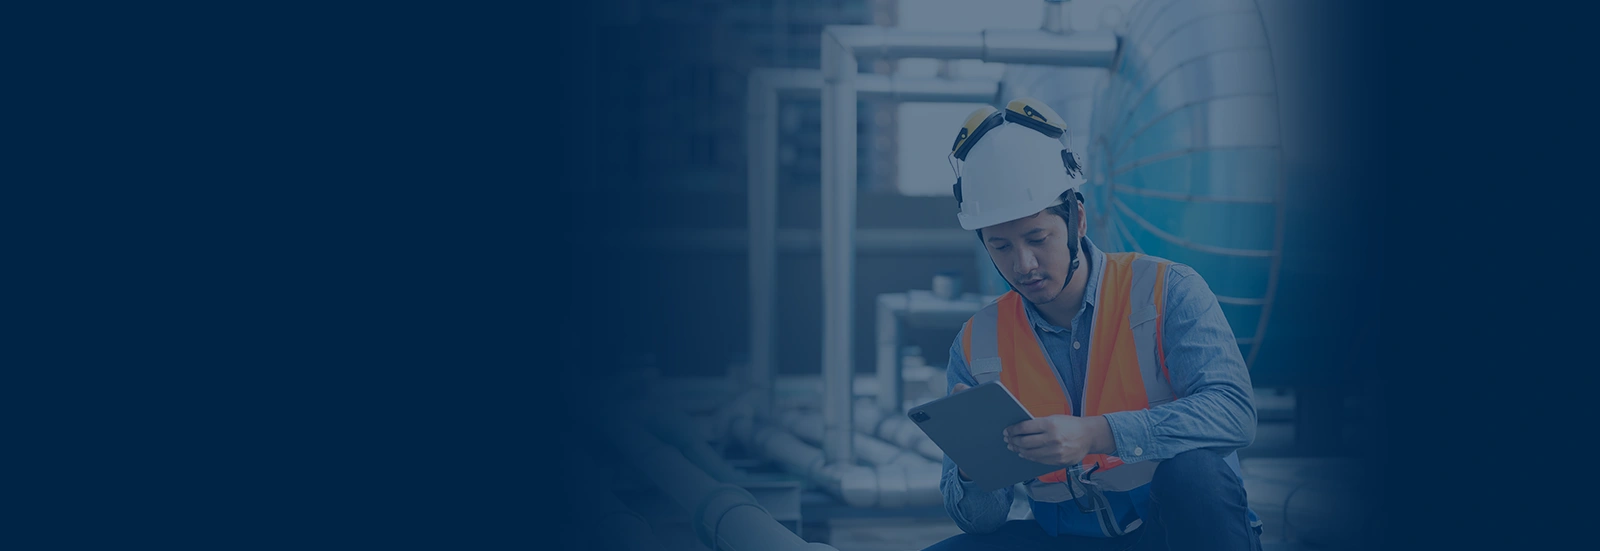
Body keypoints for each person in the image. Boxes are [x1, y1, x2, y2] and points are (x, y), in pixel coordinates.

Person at [923, 99, 1263, 551]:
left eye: (1037, 239)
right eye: (1001, 247)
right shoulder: (975, 344)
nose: (1023, 264)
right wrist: (975, 463)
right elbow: (980, 522)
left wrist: (1096, 435)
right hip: (1063, 537)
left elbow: (1234, 414)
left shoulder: (1168, 289)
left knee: (1195, 472)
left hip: (1168, 534)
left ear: (1077, 219)